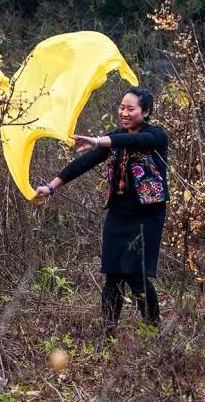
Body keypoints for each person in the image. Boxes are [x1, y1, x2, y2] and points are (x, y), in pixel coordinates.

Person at [35, 87, 170, 339]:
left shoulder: (155, 136)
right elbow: (84, 163)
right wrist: (51, 187)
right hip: (118, 215)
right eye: (122, 107)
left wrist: (98, 140)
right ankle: (108, 335)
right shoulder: (115, 137)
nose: (124, 113)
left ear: (146, 111)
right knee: (113, 277)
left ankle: (154, 335)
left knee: (137, 276)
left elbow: (132, 141)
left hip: (146, 217)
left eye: (131, 109)